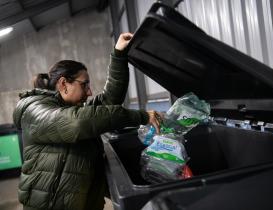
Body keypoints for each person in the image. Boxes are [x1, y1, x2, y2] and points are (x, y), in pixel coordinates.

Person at [13, 32, 162, 210]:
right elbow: (78, 123)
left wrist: (119, 54)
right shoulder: (34, 109)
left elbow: (109, 100)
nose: (90, 92)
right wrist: (141, 117)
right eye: (84, 85)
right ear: (63, 84)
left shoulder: (73, 110)